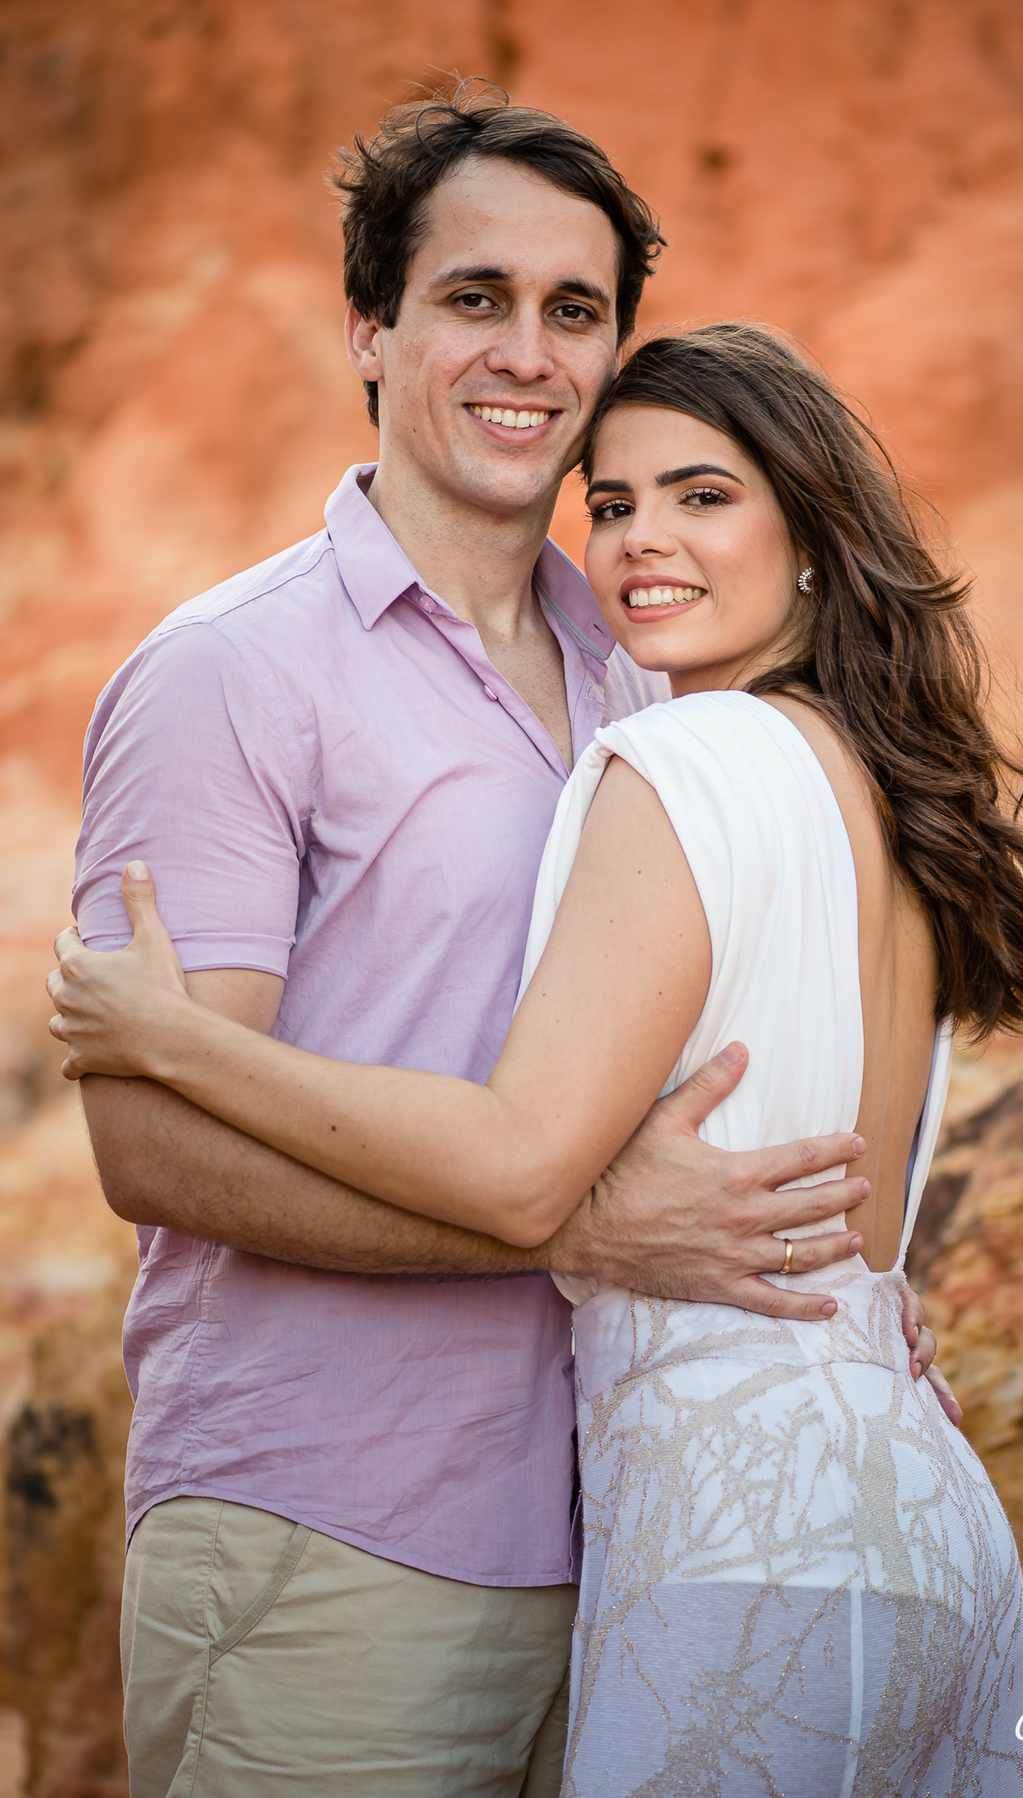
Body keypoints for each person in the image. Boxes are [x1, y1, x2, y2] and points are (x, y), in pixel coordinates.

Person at [63, 89, 953, 1798]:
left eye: (575, 311)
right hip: (341, 1531)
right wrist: (575, 1229)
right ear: (372, 330)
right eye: (474, 297)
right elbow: (147, 1143)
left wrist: (853, 1301)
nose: (527, 353)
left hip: (633, 1530)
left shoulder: (650, 660)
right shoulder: (230, 672)